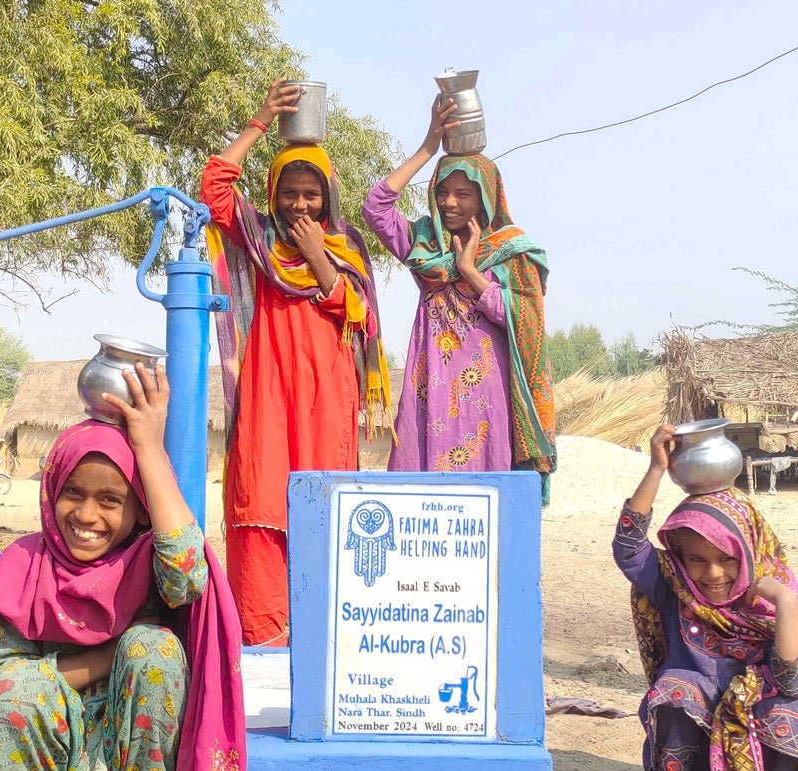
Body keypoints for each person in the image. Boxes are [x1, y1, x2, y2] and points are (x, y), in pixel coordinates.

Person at [0, 362, 245, 770]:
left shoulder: (150, 562)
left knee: (154, 648)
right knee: (17, 694)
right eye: (73, 493)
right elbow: (4, 679)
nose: (85, 515)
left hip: (133, 749)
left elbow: (187, 577)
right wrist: (107, 655)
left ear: (140, 509)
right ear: (51, 491)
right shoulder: (25, 567)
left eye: (110, 501)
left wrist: (149, 449)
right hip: (47, 745)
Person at [200, 79, 391, 646]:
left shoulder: (346, 246)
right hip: (265, 400)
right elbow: (215, 188)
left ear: (328, 197)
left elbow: (358, 315)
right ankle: (259, 644)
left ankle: (324, 650)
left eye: (312, 195)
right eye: (290, 194)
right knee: (259, 509)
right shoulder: (259, 239)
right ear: (275, 195)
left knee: (325, 519)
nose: (300, 205)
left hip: (328, 405)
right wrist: (260, 122)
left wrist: (317, 256)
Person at [361, 97, 556, 501]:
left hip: (487, 395)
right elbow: (375, 209)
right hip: (428, 389)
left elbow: (526, 322)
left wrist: (470, 273)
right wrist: (428, 147)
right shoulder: (425, 243)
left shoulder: (513, 251)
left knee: (483, 503)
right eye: (443, 192)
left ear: (485, 197)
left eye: (463, 193)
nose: (450, 203)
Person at [615, 425, 798, 769]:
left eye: (727, 559)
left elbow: (790, 681)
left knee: (787, 711)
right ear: (681, 558)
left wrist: (787, 604)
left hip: (757, 708)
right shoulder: (677, 588)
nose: (712, 574)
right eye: (697, 559)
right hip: (697, 710)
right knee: (675, 691)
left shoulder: (776, 593)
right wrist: (656, 468)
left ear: (748, 552)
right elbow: (628, 550)